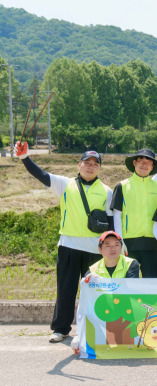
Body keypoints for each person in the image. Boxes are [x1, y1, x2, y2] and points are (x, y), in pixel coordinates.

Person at [14, 142, 113, 343]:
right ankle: (61, 328)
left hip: (95, 249)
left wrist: (112, 247)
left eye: (95, 163)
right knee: (66, 289)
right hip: (68, 246)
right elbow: (40, 174)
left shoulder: (106, 191)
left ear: (99, 168)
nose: (90, 166)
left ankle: (93, 328)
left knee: (94, 291)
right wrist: (25, 157)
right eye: (87, 162)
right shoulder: (64, 184)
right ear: (79, 164)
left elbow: (111, 222)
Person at [111, 148, 157, 278]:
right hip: (129, 243)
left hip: (152, 243)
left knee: (150, 283)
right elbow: (117, 215)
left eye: (148, 162)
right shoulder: (122, 186)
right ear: (134, 163)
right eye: (141, 160)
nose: (144, 164)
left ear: (152, 167)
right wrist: (119, 240)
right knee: (129, 282)